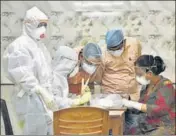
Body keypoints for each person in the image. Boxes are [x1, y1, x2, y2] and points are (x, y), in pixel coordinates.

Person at [2, 6, 56, 135]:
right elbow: (23, 75)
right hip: (28, 100)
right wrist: (41, 91)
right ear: (29, 25)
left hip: (41, 99)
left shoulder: (39, 46)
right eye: (39, 24)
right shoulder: (20, 46)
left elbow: (46, 73)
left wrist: (47, 92)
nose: (42, 28)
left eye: (44, 25)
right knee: (32, 132)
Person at [122, 55, 175, 135]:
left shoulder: (166, 85)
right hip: (149, 122)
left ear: (149, 74)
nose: (137, 77)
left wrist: (133, 104)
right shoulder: (146, 86)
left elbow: (161, 109)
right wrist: (127, 105)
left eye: (139, 75)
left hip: (165, 125)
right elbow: (141, 105)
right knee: (125, 130)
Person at [101, 29, 142, 101]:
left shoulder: (134, 44)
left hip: (132, 94)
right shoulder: (103, 53)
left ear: (123, 42)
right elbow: (99, 76)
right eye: (111, 50)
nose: (114, 52)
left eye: (117, 48)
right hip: (111, 96)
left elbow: (138, 63)